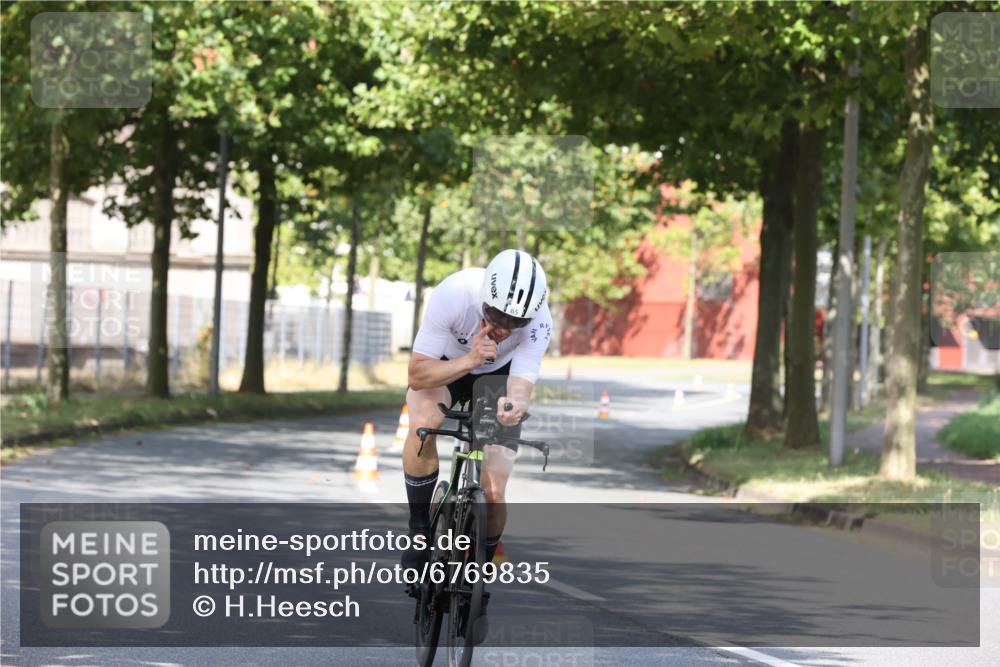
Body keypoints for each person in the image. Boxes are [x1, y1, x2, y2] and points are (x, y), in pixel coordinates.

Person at [401, 249, 552, 573]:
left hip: (498, 376)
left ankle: (480, 570)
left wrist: (514, 406)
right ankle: (419, 531)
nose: (503, 327)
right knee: (425, 424)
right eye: (496, 315)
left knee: (494, 490)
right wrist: (469, 360)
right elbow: (416, 376)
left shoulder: (540, 322)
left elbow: (521, 384)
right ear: (484, 297)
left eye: (516, 322)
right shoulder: (454, 294)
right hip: (445, 366)